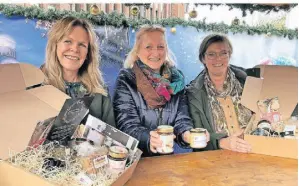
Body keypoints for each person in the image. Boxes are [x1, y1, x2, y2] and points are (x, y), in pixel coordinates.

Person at [113, 25, 208, 157]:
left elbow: (182, 120)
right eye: (148, 47)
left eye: (160, 47)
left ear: (166, 50)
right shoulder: (127, 79)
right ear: (137, 51)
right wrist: (148, 138)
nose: (156, 53)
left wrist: (187, 135)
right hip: (136, 160)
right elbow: (126, 124)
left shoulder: (176, 82)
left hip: (165, 160)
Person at [42, 17, 115, 127]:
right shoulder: (37, 86)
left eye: (82, 45)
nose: (75, 49)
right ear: (55, 45)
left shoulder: (100, 92)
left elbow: (111, 139)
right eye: (68, 41)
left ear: (88, 53)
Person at [186, 34, 252, 153]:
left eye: (223, 53)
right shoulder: (193, 94)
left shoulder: (247, 82)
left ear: (229, 55)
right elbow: (196, 133)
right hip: (216, 157)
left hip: (251, 149)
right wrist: (221, 142)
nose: (218, 59)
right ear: (203, 58)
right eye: (211, 54)